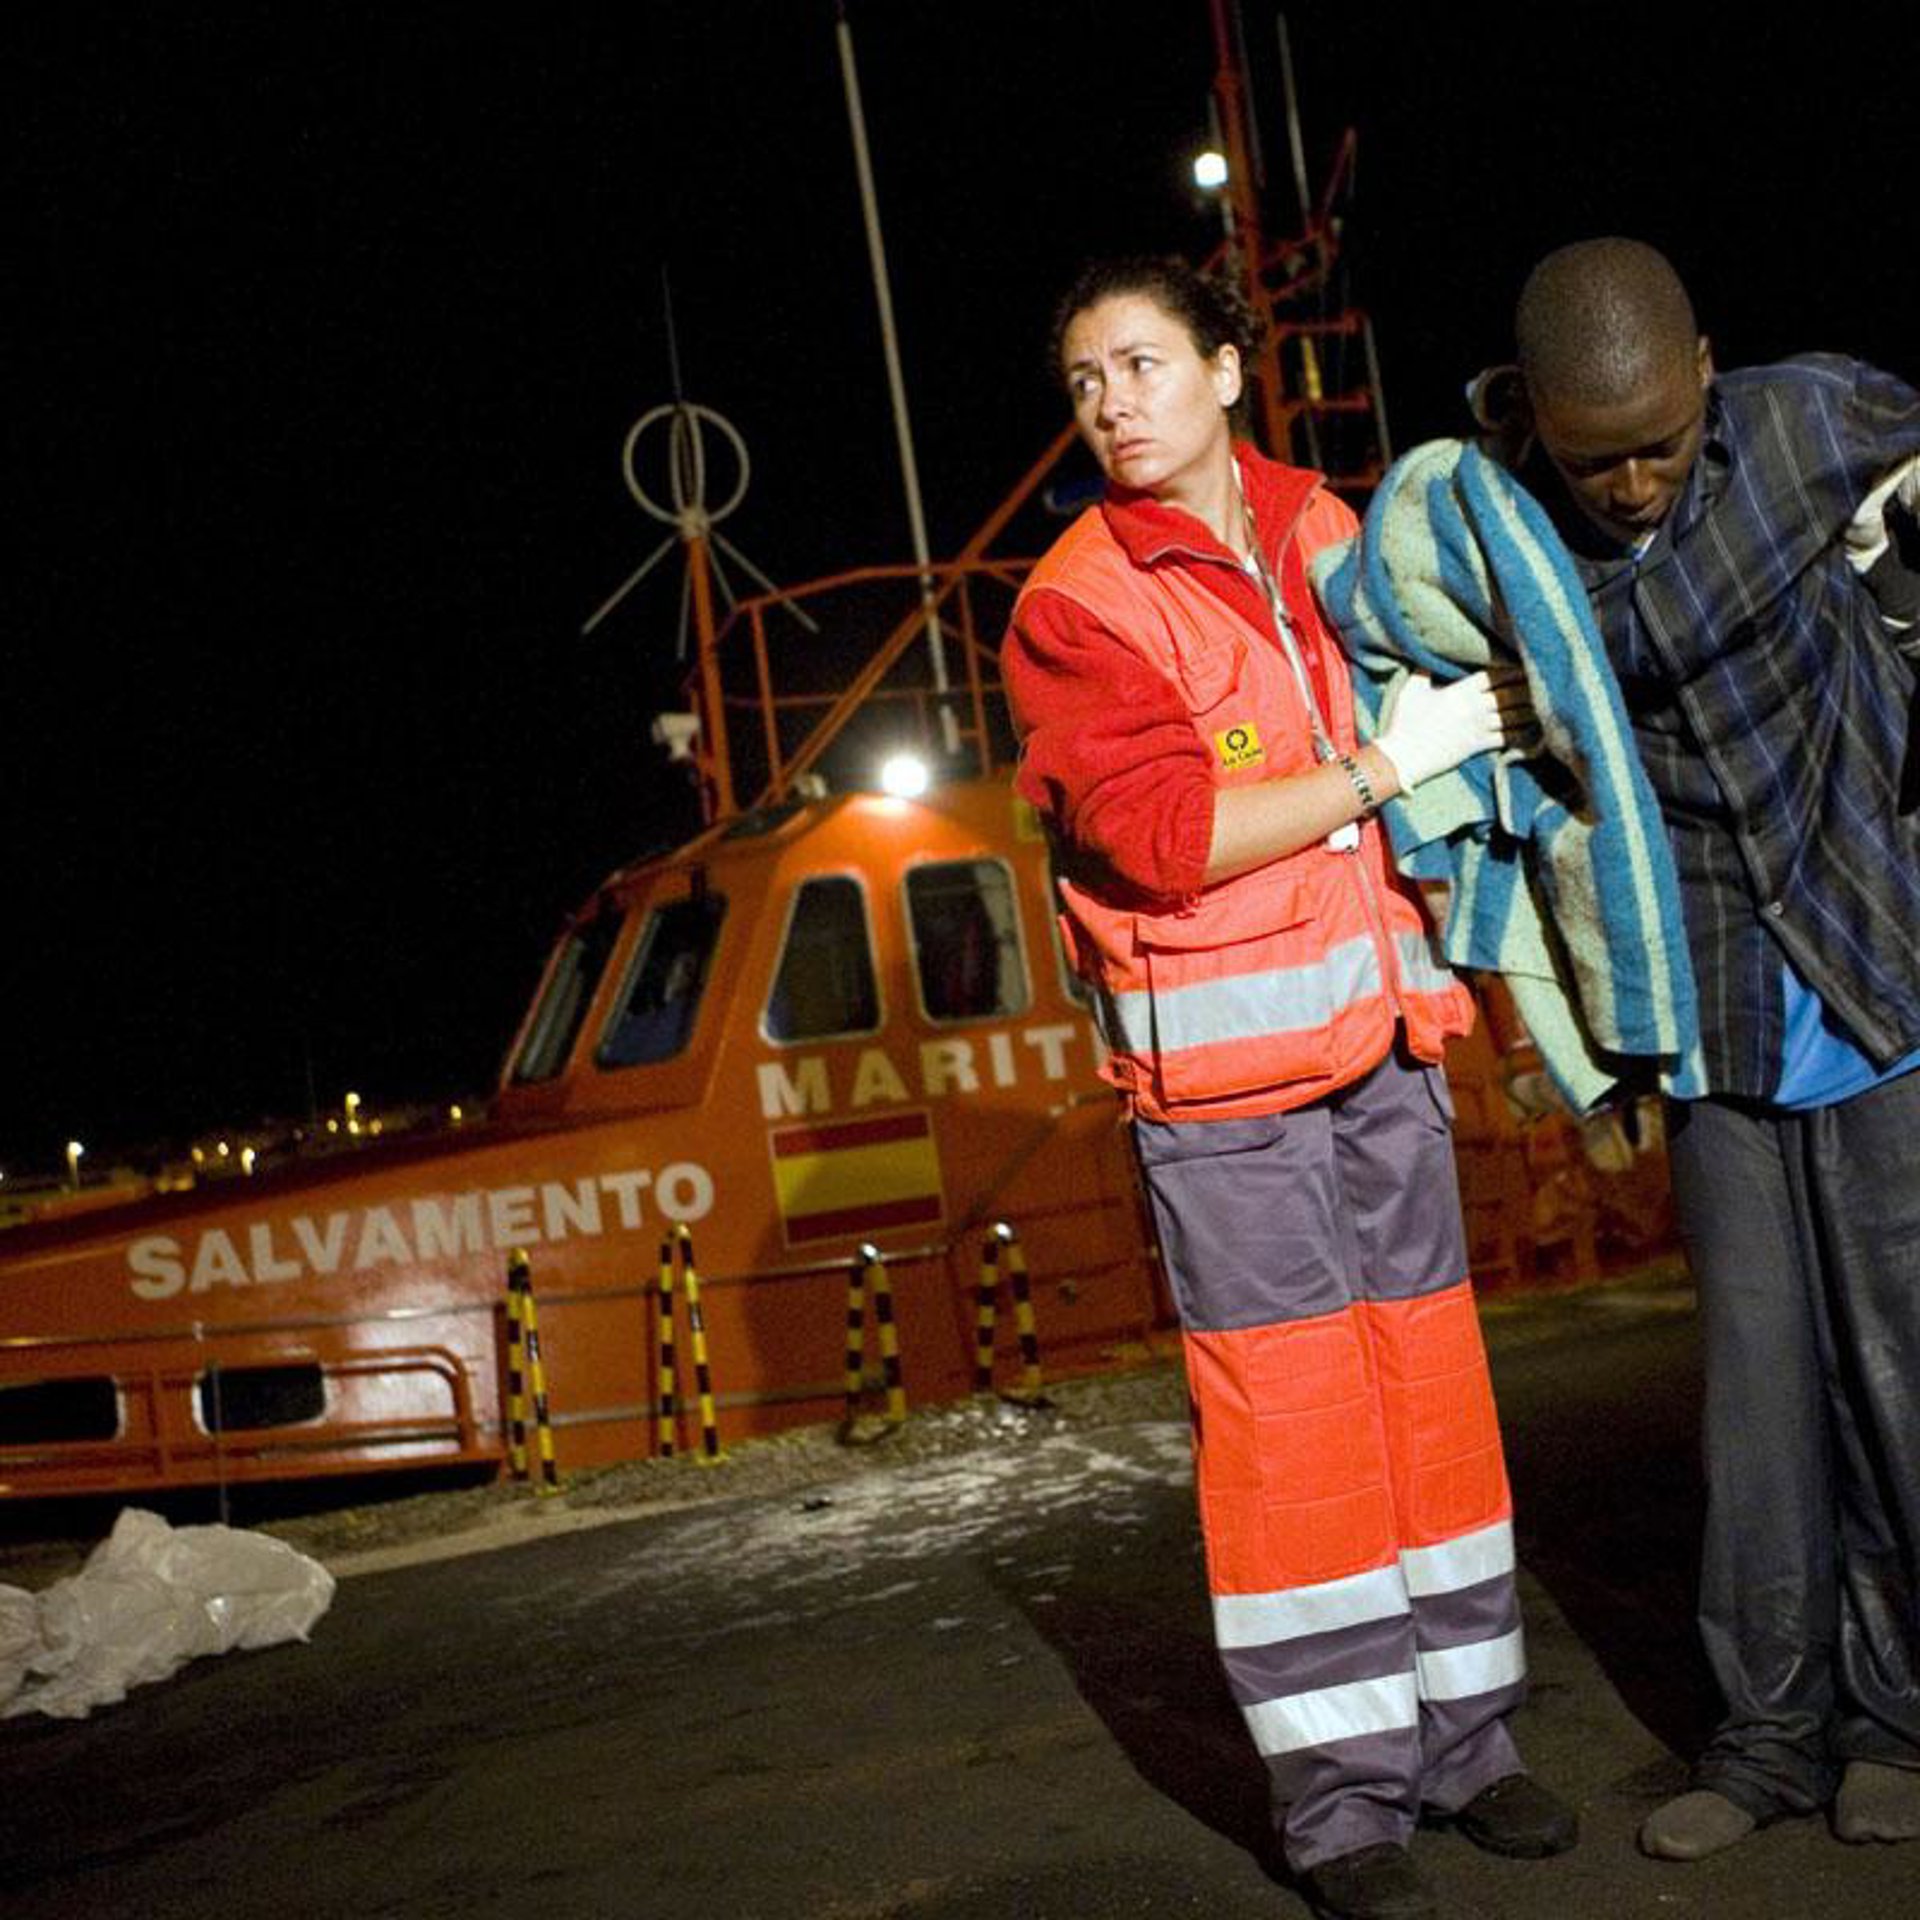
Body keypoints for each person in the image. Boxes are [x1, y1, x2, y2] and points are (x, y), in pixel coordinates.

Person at [1001, 254, 1574, 1920]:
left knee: (1431, 1403)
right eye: (1086, 380)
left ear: (1227, 371)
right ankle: (1343, 1810)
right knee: (1293, 1443)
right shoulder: (1078, 602)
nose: (1112, 402)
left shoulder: (1331, 529)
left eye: (1140, 364)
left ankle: (1470, 1747)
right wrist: (1389, 766)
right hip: (1226, 1096)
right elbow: (1165, 839)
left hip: (1385, 1051)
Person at [1485, 236, 1920, 1862]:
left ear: (1706, 371)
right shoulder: (1505, 525)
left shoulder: (1812, 423)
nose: (1631, 482)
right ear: (1538, 422)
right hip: (1711, 1010)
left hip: (1875, 968)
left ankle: (1902, 1725)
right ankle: (1767, 1741)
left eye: (1659, 444)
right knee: (1757, 1405)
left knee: (1899, 1385)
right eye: (1592, 457)